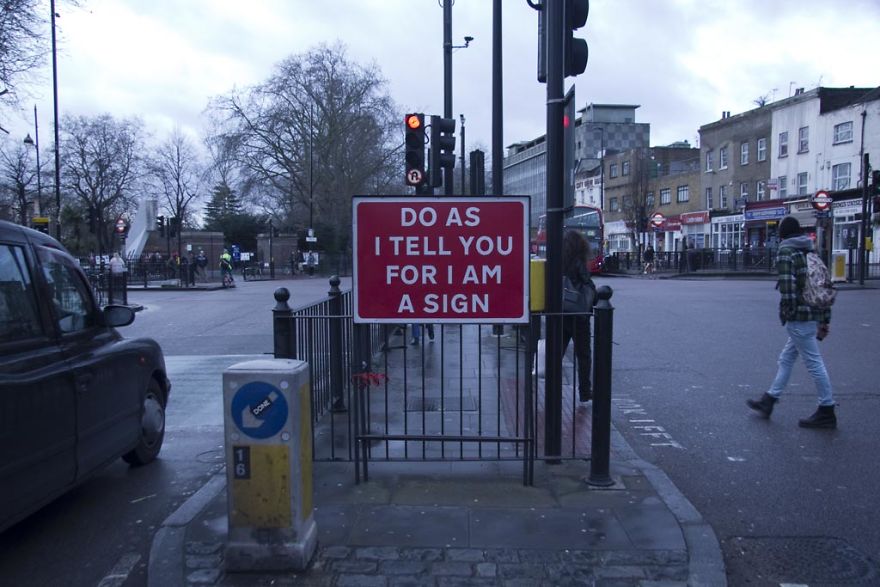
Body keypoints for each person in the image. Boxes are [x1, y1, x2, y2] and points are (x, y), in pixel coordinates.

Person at [747, 215, 836, 429]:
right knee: (786, 359)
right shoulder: (810, 250)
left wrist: (788, 314)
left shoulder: (786, 251)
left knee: (814, 363)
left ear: (782, 234)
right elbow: (823, 285)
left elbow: (788, 288)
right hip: (812, 313)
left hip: (799, 318)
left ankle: (827, 409)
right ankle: (769, 400)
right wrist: (824, 319)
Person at [561, 230, 596, 402]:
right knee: (583, 354)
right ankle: (584, 390)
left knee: (556, 353)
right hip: (578, 315)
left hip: (560, 313)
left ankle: (551, 386)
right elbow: (587, 284)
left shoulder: (556, 260)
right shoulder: (578, 261)